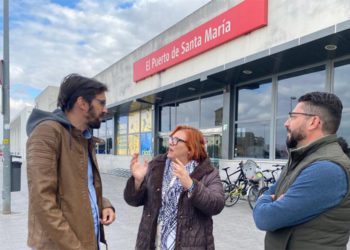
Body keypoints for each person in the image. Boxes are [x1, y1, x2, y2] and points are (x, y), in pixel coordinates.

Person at [26, 74, 116, 250]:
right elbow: (42, 202)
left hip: (86, 240)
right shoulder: (47, 133)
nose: (105, 110)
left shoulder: (84, 137)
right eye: (101, 103)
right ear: (82, 103)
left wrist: (104, 205)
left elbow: (81, 188)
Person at [253, 92, 350, 249]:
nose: (286, 123)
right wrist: (271, 198)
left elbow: (265, 218)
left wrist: (265, 200)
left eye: (293, 116)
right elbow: (271, 191)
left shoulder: (326, 168)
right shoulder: (301, 159)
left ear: (313, 122)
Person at [124, 125, 225, 250]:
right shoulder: (156, 166)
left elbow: (217, 204)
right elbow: (132, 200)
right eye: (171, 138)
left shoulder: (208, 172)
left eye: (176, 140)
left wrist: (191, 185)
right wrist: (137, 181)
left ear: (191, 148)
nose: (170, 143)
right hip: (153, 244)